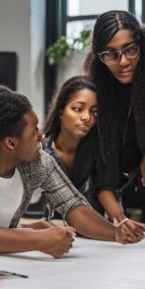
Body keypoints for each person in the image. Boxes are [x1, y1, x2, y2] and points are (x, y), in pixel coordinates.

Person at [0, 85, 144, 259]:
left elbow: (72, 204)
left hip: (3, 267)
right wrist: (36, 239)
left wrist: (115, 232)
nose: (41, 134)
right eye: (34, 130)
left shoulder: (36, 161)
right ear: (10, 142)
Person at [84, 10, 145, 229]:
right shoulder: (96, 88)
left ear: (141, 44)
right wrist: (119, 218)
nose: (123, 61)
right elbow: (102, 154)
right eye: (110, 54)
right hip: (116, 181)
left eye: (130, 49)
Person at [42, 76, 103, 216]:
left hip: (91, 232)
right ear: (61, 111)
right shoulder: (40, 151)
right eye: (77, 109)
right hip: (46, 230)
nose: (87, 117)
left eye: (95, 112)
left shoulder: (98, 152)